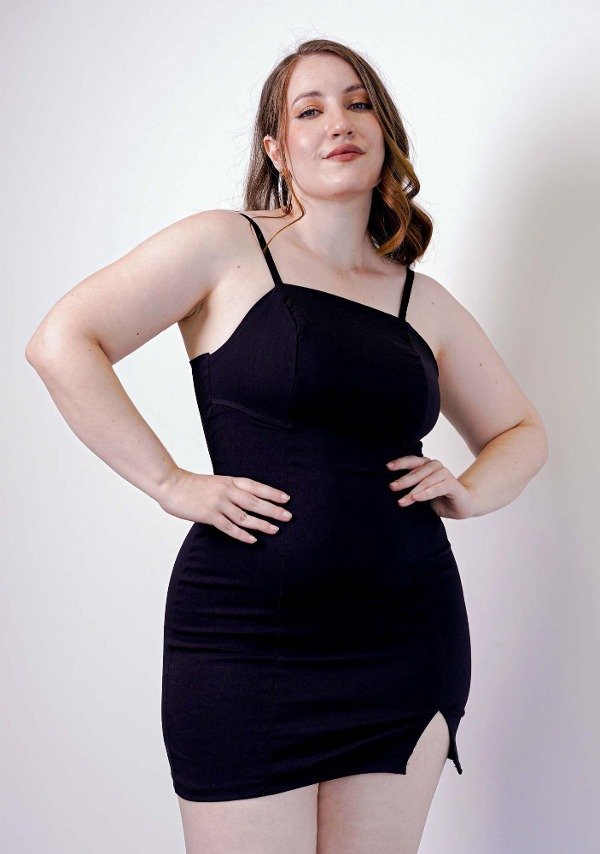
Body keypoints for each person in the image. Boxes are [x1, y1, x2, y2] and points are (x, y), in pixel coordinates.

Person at [26, 38, 548, 854]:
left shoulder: (424, 301)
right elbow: (62, 341)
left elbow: (523, 432)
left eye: (358, 103)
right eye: (310, 110)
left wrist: (472, 488)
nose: (338, 122)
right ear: (276, 149)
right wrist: (169, 482)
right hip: (243, 642)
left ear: (384, 132)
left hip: (405, 640)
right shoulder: (225, 247)